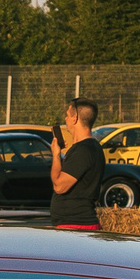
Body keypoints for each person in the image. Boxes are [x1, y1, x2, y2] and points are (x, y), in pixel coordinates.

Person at [46, 98, 103, 230]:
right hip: (74, 224)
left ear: (75, 118)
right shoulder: (88, 147)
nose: (65, 119)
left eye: (67, 115)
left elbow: (59, 186)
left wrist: (55, 155)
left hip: (76, 225)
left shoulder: (84, 150)